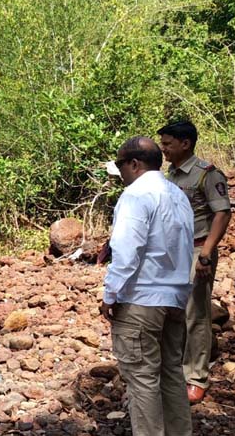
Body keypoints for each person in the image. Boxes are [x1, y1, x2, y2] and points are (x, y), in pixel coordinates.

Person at [102, 136, 194, 436]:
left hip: (142, 299)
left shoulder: (135, 195)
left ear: (134, 164)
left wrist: (110, 294)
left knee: (142, 380)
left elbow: (128, 251)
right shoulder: (177, 195)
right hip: (176, 297)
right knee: (171, 374)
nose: (121, 173)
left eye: (121, 166)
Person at [157, 120, 232, 404]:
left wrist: (206, 254)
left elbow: (222, 214)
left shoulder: (207, 175)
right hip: (173, 253)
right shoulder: (170, 176)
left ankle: (196, 377)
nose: (163, 149)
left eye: (168, 143)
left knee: (196, 315)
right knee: (172, 312)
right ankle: (175, 367)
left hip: (197, 251)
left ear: (185, 144)